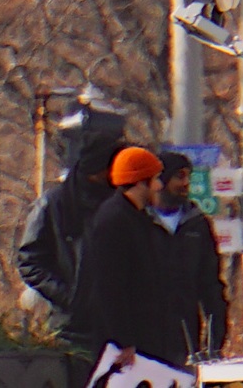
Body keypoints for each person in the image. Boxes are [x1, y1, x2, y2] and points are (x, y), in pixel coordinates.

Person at [67, 146, 184, 368]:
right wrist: (124, 340)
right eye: (156, 179)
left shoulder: (137, 218)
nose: (159, 186)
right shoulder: (114, 221)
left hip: (145, 339)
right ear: (141, 181)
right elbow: (109, 287)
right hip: (125, 347)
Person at [17, 139, 123, 318]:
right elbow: (30, 261)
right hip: (70, 323)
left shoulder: (121, 205)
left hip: (118, 321)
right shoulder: (55, 204)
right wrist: (70, 298)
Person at [152, 152, 228, 360]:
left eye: (188, 177)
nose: (186, 183)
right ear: (160, 179)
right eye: (179, 176)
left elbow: (211, 286)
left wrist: (214, 343)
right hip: (144, 339)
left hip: (186, 339)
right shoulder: (139, 222)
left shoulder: (197, 224)